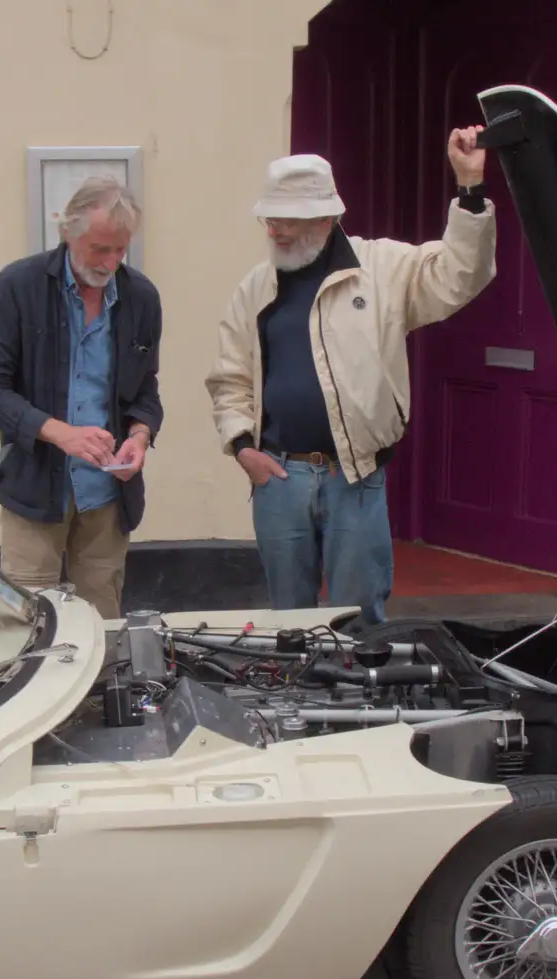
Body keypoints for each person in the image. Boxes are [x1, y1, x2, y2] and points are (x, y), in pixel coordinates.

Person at [205, 133, 497, 630]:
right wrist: (242, 449)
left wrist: (469, 188)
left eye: (286, 221)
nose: (273, 231)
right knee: (288, 625)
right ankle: (295, 706)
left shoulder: (381, 268)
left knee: (358, 622)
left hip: (356, 477)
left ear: (326, 219)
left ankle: (356, 705)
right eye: (269, 219)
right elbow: (229, 377)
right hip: (277, 478)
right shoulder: (257, 285)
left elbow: (460, 275)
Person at [0, 177, 162, 620]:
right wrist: (62, 435)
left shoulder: (141, 297)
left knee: (102, 624)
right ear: (66, 233)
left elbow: (146, 390)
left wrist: (139, 434)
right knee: (27, 624)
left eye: (121, 250)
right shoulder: (18, 286)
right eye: (99, 249)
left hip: (107, 495)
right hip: (35, 489)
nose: (112, 262)